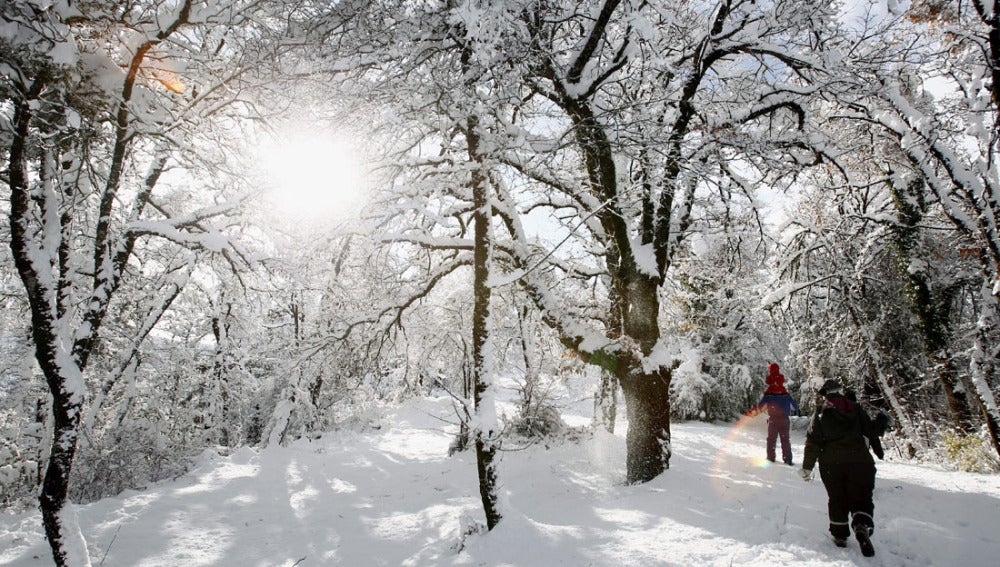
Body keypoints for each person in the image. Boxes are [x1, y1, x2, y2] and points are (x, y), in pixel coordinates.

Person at [799, 379, 889, 557]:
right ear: (839, 391)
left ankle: (840, 535)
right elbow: (871, 431)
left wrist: (807, 468)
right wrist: (882, 419)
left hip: (831, 465)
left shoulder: (820, 413)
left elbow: (813, 442)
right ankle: (861, 524)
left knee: (837, 498)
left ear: (825, 394)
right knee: (862, 497)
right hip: (860, 462)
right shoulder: (855, 408)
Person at [749, 363, 800, 465]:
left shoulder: (769, 392)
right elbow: (795, 405)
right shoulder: (784, 392)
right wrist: (797, 410)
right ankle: (788, 459)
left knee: (771, 439)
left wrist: (753, 412)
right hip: (784, 419)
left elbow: (760, 406)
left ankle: (771, 457)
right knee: (785, 440)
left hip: (773, 419)